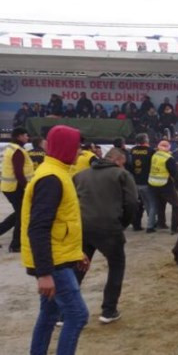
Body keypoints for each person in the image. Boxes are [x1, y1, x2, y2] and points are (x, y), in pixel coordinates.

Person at [21, 125, 89, 355]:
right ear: (66, 147)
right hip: (54, 264)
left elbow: (62, 223)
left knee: (49, 315)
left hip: (59, 258)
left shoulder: (57, 172)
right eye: (77, 146)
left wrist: (76, 253)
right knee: (77, 315)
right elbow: (38, 228)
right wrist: (44, 273)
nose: (80, 152)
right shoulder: (51, 178)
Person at [73, 147, 138, 324]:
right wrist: (123, 223)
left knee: (78, 268)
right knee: (116, 267)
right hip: (110, 228)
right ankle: (108, 310)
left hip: (84, 227)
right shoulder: (121, 175)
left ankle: (66, 312)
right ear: (119, 160)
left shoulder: (81, 175)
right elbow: (132, 202)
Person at [0, 127, 34, 252]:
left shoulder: (10, 148)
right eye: (25, 135)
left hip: (9, 187)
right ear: (19, 136)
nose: (27, 137)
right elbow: (19, 172)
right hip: (16, 188)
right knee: (21, 215)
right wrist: (26, 187)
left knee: (18, 214)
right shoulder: (18, 151)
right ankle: (15, 245)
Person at [148, 140, 178, 234]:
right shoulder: (169, 158)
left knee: (161, 204)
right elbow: (174, 173)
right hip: (165, 183)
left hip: (153, 183)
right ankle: (174, 228)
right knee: (176, 205)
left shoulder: (155, 155)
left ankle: (161, 223)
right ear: (168, 147)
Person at [131, 133, 157, 233]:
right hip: (147, 181)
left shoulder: (132, 150)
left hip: (136, 181)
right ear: (146, 140)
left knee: (146, 203)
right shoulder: (151, 151)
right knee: (152, 204)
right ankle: (150, 226)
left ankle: (148, 222)